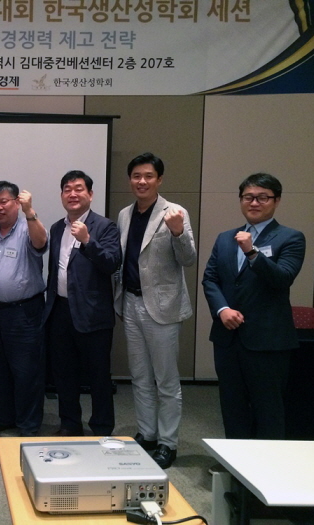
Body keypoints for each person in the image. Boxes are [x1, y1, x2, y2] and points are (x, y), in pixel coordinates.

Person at [202, 173, 305, 440]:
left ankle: (269, 465)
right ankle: (234, 462)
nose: (254, 203)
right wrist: (222, 310)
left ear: (276, 200)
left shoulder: (291, 238)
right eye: (248, 197)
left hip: (268, 341)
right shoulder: (225, 238)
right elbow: (210, 279)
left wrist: (252, 252)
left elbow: (282, 278)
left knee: (268, 410)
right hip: (228, 338)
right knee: (232, 408)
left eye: (262, 197)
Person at [114, 152, 196, 469]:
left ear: (159, 180)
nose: (142, 181)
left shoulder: (175, 213)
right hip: (131, 302)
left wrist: (177, 232)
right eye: (136, 176)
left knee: (166, 380)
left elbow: (188, 259)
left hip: (161, 307)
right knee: (140, 376)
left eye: (148, 176)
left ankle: (167, 443)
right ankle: (147, 434)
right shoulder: (124, 214)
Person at [43, 171, 121, 437]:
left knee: (98, 376)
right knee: (64, 374)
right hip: (60, 311)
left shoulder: (105, 226)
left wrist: (87, 240)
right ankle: (70, 424)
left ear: (90, 194)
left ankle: (101, 428)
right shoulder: (57, 228)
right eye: (67, 189)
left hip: (93, 313)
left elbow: (111, 263)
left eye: (79, 189)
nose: (73, 194)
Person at [0, 181, 48, 437]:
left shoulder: (28, 228)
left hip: (23, 312)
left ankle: (28, 424)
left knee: (26, 371)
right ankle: (2, 416)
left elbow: (41, 243)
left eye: (4, 201)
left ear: (16, 202)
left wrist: (30, 212)